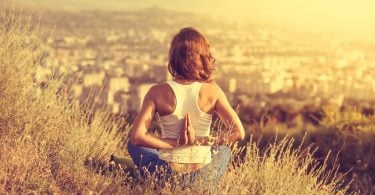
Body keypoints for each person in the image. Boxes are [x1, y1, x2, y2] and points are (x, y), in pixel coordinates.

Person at [127, 27, 245, 190]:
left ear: (174, 58)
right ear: (203, 57)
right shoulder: (213, 90)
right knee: (223, 150)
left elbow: (137, 137)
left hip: (166, 176)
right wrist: (199, 141)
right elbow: (238, 132)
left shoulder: (157, 91)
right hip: (202, 178)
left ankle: (139, 172)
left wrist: (175, 143)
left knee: (133, 145)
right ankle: (201, 189)